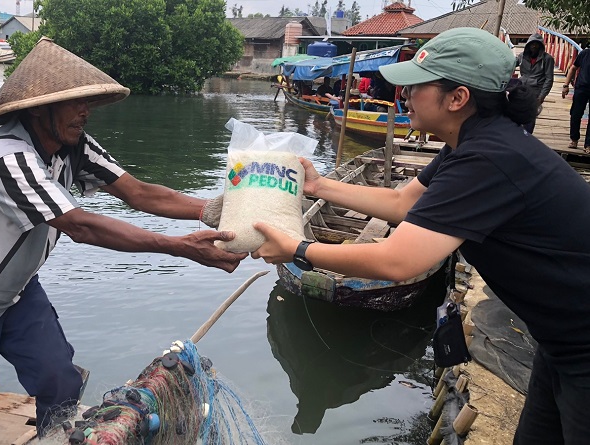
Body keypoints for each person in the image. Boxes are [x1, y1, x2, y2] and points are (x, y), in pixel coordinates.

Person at [252, 27, 590, 444]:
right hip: (562, 341)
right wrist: (320, 187)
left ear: (457, 98)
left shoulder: (487, 159)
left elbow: (399, 261)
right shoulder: (470, 144)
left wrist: (298, 248)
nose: (405, 95)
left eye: (415, 86)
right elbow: (402, 204)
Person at [0, 37, 244, 444]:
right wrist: (181, 246)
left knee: (59, 380)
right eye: (74, 102)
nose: (85, 111)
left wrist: (223, 212)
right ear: (38, 109)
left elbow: (139, 193)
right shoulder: (5, 158)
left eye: (88, 102)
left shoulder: (71, 147)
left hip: (12, 294)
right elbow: (80, 226)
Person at [516, 33, 555, 133]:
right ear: (528, 45)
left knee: (530, 115)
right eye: (532, 44)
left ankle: (527, 136)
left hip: (536, 90)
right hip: (522, 88)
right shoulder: (521, 56)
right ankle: (518, 135)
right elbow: (510, 65)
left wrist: (542, 96)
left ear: (540, 46)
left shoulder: (547, 59)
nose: (534, 46)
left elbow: (549, 79)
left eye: (537, 44)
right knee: (518, 112)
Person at [562, 44, 590, 152]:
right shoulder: (585, 53)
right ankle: (574, 139)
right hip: (581, 88)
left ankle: (588, 145)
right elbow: (573, 68)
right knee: (575, 114)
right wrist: (566, 85)